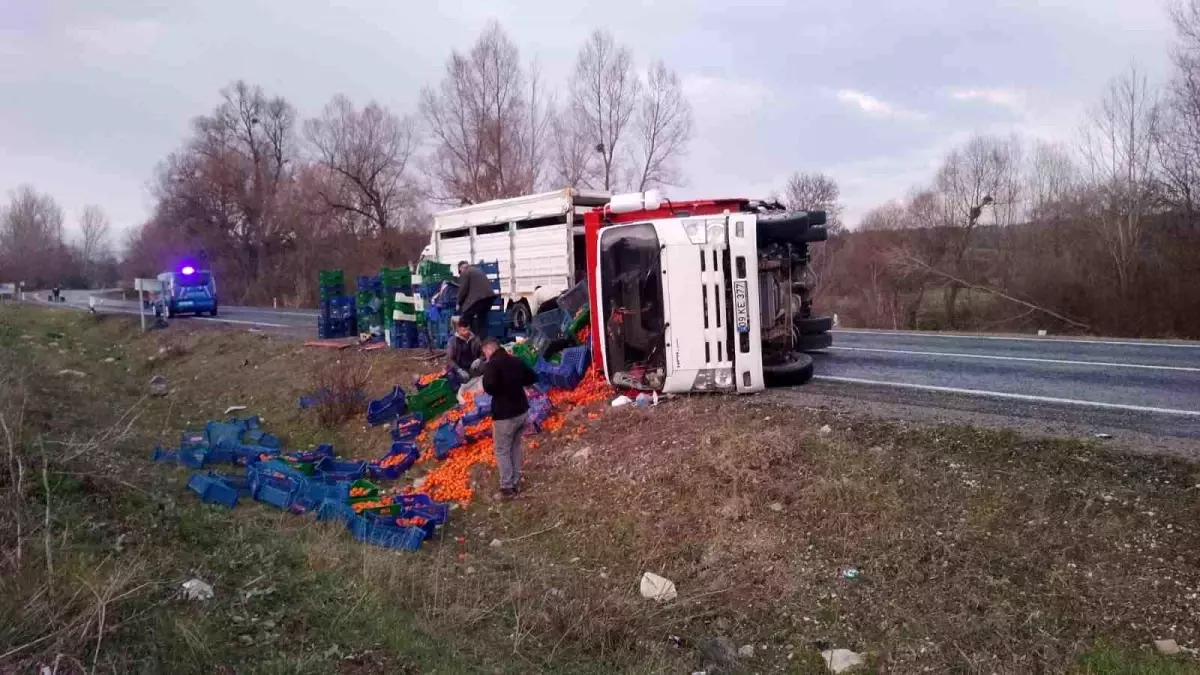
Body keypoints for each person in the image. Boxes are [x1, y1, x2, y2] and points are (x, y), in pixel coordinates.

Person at [480, 337, 536, 499]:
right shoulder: (515, 361)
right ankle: (515, 482)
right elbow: (531, 377)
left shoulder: (492, 365)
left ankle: (506, 488)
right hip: (522, 411)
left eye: (485, 353)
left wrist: (500, 387)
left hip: (505, 414)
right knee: (515, 447)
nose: (486, 356)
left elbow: (488, 387)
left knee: (502, 450)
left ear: (489, 349)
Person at [456, 261, 496, 338]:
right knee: (482, 321)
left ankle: (464, 339)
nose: (460, 274)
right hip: (489, 298)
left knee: (465, 319)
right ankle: (482, 341)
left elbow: (463, 290)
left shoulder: (466, 272)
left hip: (478, 299)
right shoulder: (477, 270)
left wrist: (459, 302)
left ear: (461, 268)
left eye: (460, 272)